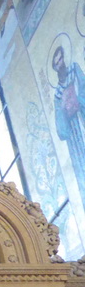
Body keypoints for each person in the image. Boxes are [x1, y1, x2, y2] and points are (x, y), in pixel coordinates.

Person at [52, 42, 85, 184]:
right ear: (55, 68)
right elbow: (61, 127)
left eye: (61, 59)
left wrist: (78, 99)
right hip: (75, 129)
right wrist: (65, 109)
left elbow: (83, 85)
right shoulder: (57, 94)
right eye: (57, 63)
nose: (60, 64)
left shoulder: (74, 68)